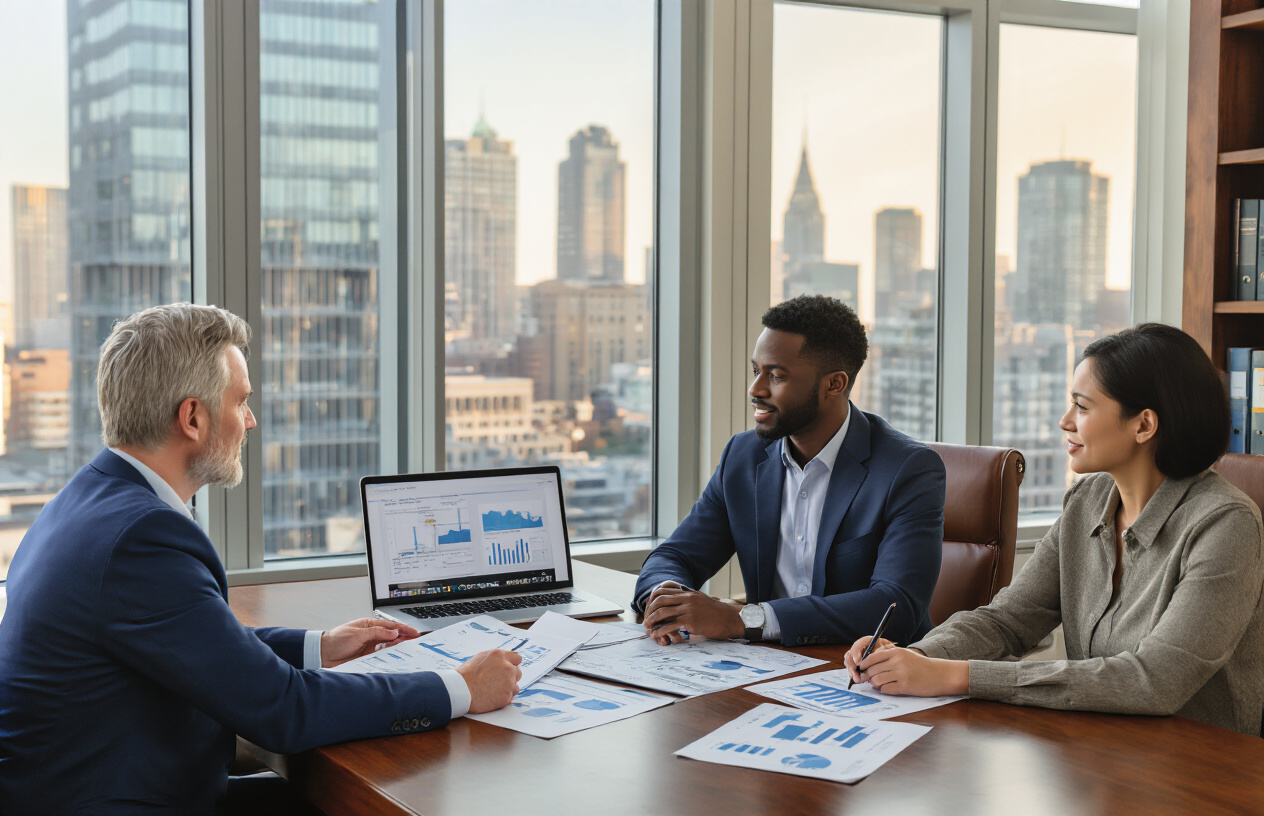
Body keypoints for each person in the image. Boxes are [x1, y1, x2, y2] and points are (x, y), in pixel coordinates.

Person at [0, 304, 523, 814]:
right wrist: (459, 688)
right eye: (241, 401)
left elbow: (187, 637)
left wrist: (320, 646)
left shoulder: (86, 500)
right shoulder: (141, 537)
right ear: (193, 417)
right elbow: (283, 710)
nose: (250, 421)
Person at [845, 323, 1264, 736]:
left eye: (1082, 407)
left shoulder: (1226, 524)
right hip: (1102, 751)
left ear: (1143, 425)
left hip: (1201, 770)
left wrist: (957, 676)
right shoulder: (1087, 501)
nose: (1065, 421)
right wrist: (911, 657)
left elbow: (1154, 681)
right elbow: (1007, 621)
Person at [634, 295, 946, 647]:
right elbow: (674, 556)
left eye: (777, 376)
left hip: (867, 673)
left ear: (834, 384)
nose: (755, 390)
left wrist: (745, 619)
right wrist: (665, 599)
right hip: (766, 666)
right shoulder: (743, 456)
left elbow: (896, 607)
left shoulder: (907, 469)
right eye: (756, 371)